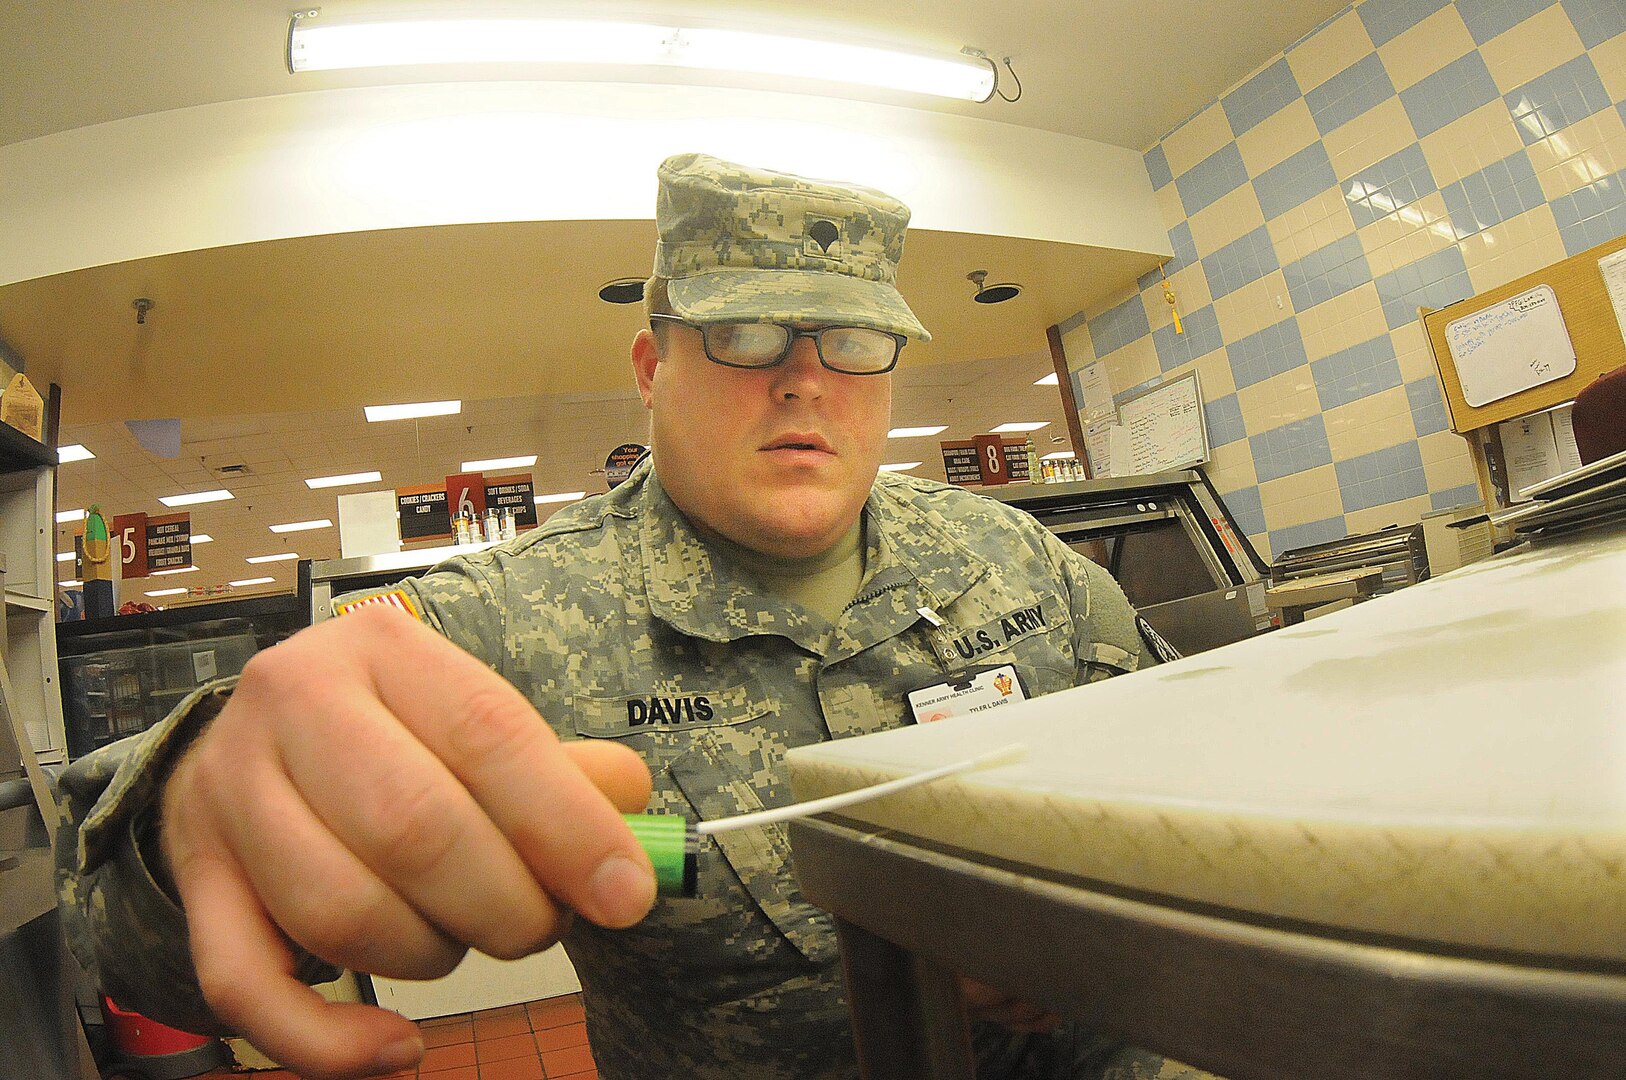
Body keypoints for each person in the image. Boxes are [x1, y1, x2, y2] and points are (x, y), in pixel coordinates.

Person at [56, 153, 1203, 1080]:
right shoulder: (516, 624)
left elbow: (1185, 784)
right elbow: (113, 941)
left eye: (851, 341)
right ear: (652, 368)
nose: (805, 379)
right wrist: (190, 822)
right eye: (746, 335)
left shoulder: (1018, 563)